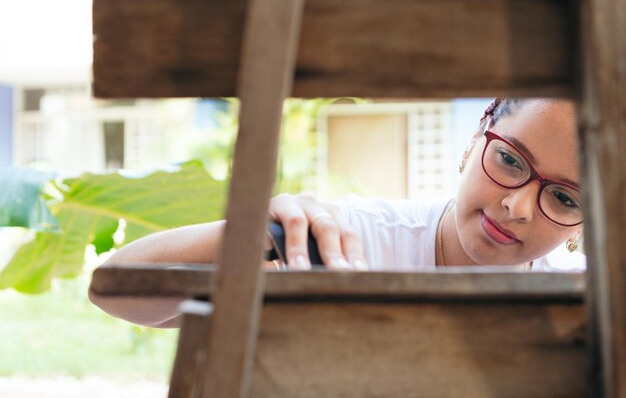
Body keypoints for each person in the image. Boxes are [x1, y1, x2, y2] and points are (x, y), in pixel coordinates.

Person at [89, 98, 584, 327]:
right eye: (509, 159)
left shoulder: (589, 304)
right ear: (476, 139)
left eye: (564, 198)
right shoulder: (347, 241)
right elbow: (113, 289)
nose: (516, 205)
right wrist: (259, 231)